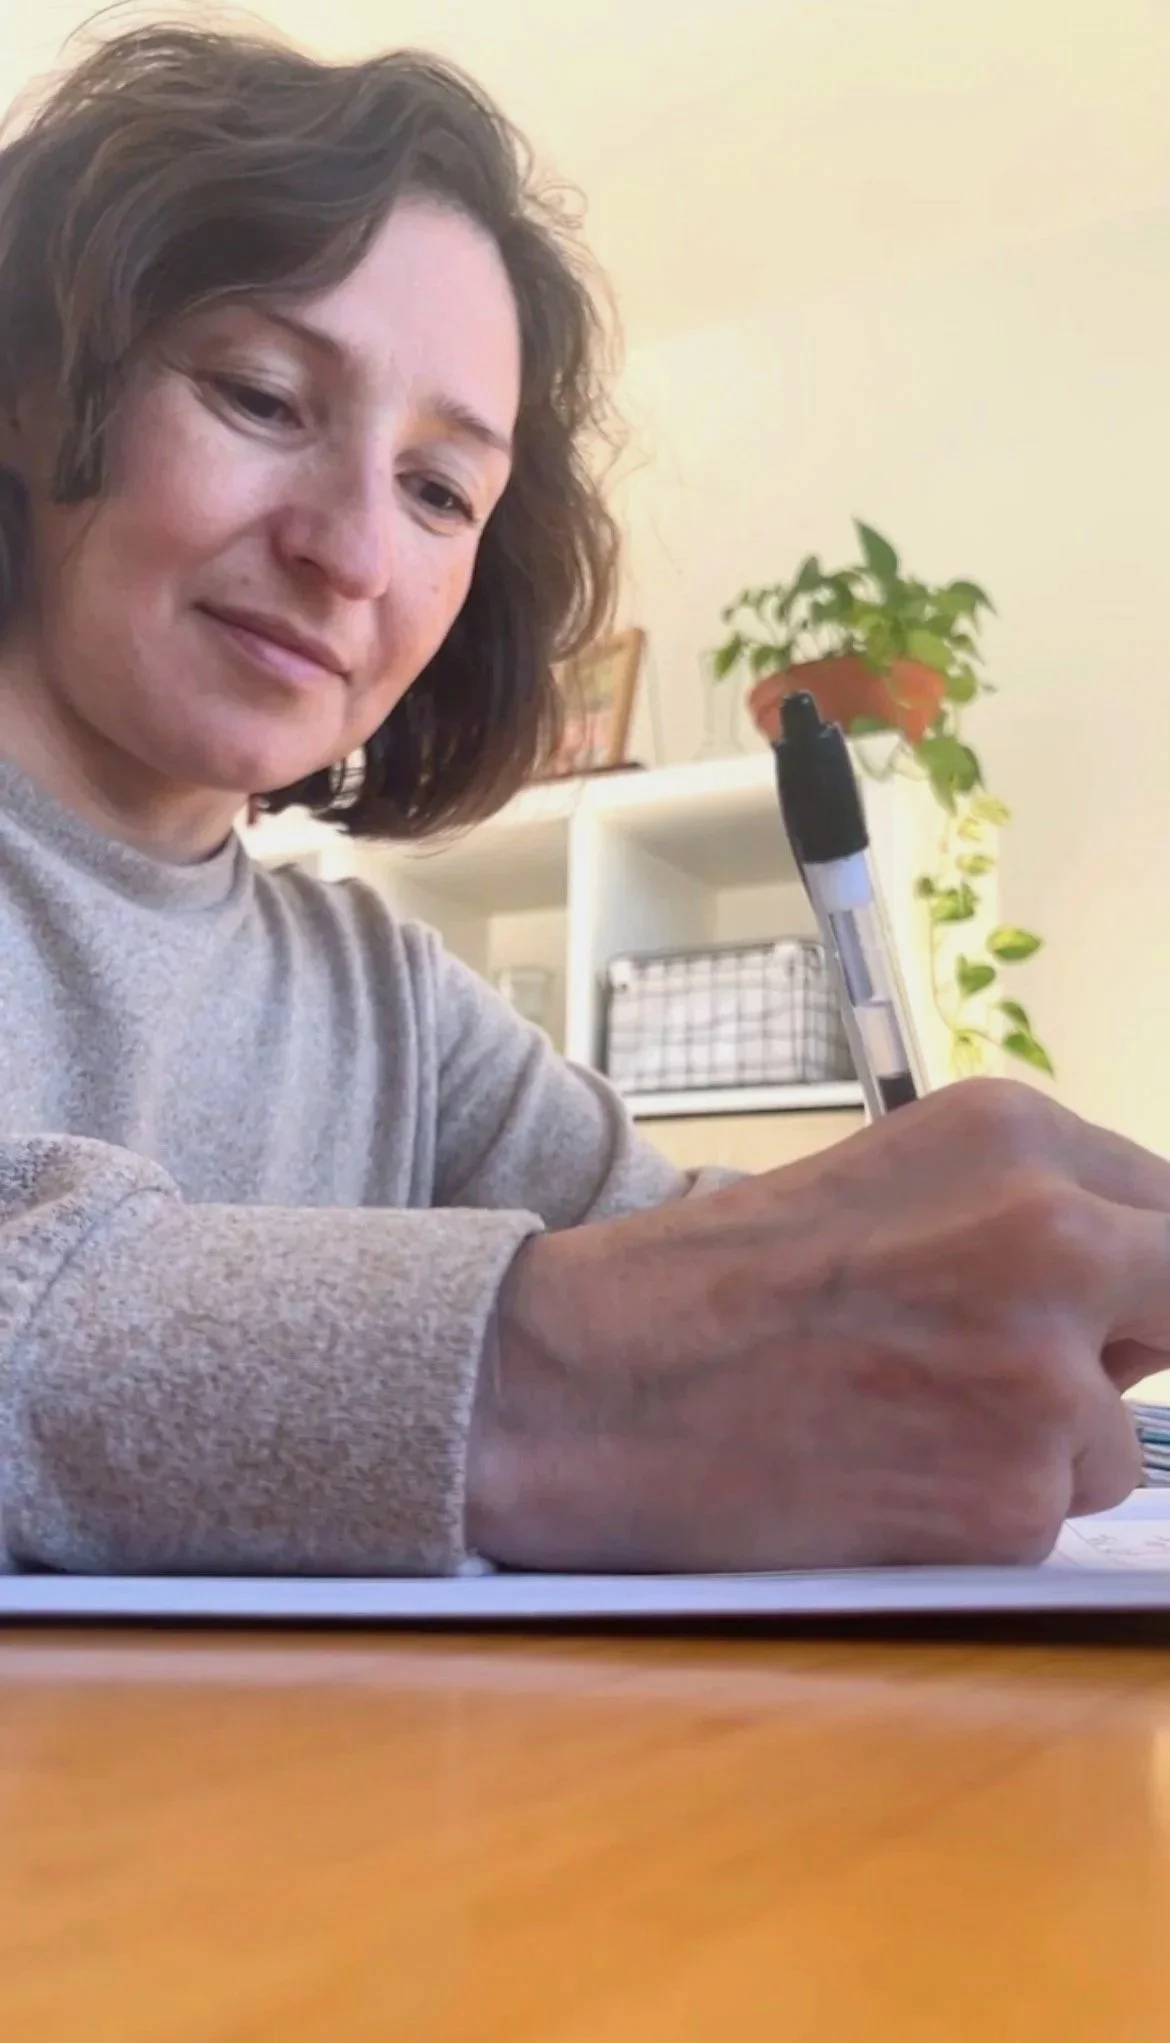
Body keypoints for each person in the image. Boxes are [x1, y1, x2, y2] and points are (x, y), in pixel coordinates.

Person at [0, 21, 1166, 1583]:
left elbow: (698, 1254)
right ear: (32, 385)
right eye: (262, 396)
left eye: (436, 492)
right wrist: (543, 1383)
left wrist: (925, 1292)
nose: (351, 553)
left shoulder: (384, 1006)